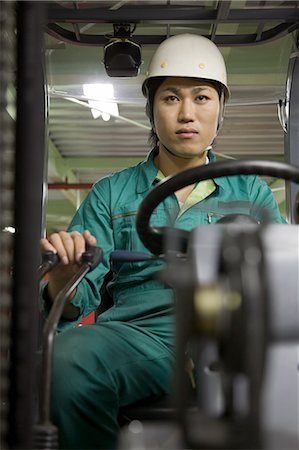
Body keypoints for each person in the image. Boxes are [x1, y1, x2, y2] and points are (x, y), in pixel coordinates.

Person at [40, 33, 286, 449]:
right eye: (171, 98)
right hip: (138, 337)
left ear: (220, 108)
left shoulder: (253, 192)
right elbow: (73, 300)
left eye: (202, 98)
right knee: (65, 362)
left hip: (229, 336)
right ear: (152, 108)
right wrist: (64, 276)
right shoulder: (112, 194)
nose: (187, 113)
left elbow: (282, 286)